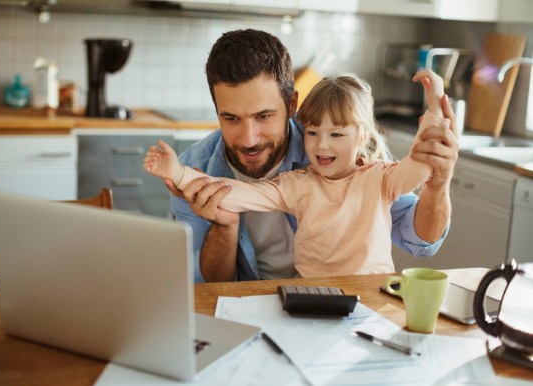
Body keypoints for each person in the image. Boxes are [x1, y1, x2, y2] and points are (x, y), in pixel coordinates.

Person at [161, 29, 458, 282]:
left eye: (264, 116)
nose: (249, 139)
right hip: (263, 304)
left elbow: (420, 241)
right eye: (232, 119)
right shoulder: (196, 167)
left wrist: (438, 179)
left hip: (360, 298)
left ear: (292, 105)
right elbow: (207, 286)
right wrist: (220, 222)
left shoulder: (345, 152)